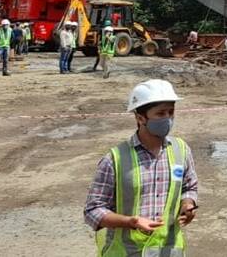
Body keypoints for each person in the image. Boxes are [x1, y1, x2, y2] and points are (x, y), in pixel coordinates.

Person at [84, 79, 197, 255]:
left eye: (171, 112)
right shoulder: (115, 159)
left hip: (168, 250)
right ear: (140, 118)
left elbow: (189, 187)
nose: (167, 119)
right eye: (160, 114)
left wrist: (188, 204)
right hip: (127, 252)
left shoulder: (181, 150)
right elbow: (92, 210)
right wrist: (131, 222)